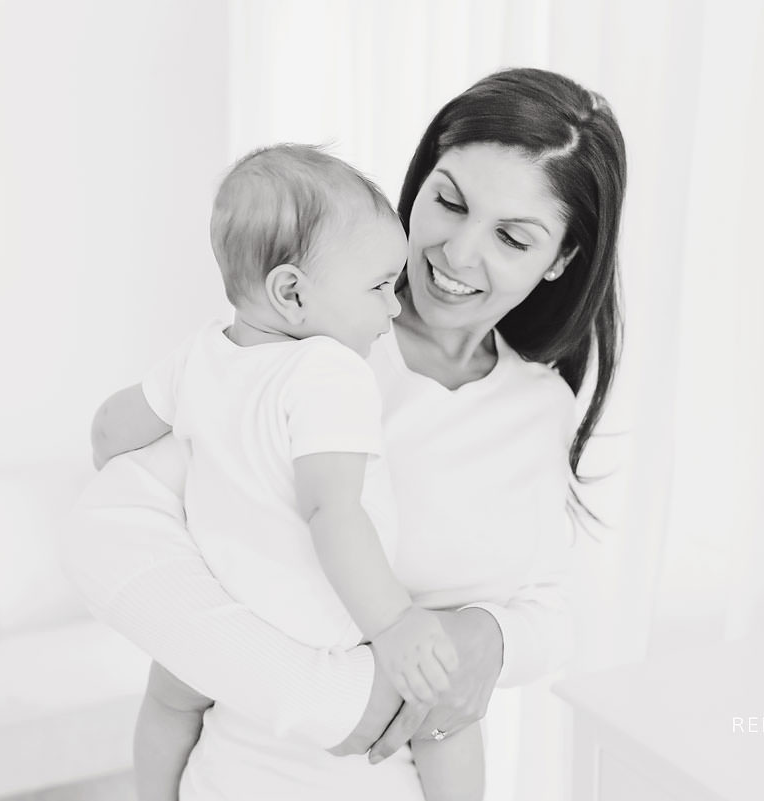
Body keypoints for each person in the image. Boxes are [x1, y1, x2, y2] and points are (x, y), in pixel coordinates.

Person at [64, 66, 626, 801]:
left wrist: (488, 641)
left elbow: (558, 611)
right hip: (250, 764)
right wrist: (328, 686)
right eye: (449, 201)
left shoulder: (541, 404)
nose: (457, 254)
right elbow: (131, 533)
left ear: (561, 260)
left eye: (512, 238)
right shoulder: (305, 351)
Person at [95, 143, 481, 801]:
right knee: (447, 709)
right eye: (379, 287)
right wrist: (393, 623)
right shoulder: (329, 369)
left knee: (168, 697)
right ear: (293, 293)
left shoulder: (199, 357)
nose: (393, 308)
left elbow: (109, 431)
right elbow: (332, 511)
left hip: (225, 611)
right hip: (321, 619)